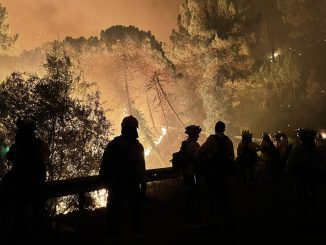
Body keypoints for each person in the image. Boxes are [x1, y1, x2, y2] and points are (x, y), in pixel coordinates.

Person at [99, 115, 147, 243]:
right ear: (135, 129)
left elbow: (104, 165)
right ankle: (137, 235)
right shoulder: (138, 147)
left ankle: (111, 236)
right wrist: (143, 185)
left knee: (113, 213)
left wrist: (105, 183)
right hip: (132, 185)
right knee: (135, 212)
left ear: (123, 128)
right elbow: (141, 168)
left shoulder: (112, 145)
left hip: (115, 185)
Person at [2, 118, 49, 238]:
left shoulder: (17, 147)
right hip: (37, 186)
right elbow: (46, 154)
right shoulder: (41, 146)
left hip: (21, 188)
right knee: (37, 213)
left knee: (20, 214)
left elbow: (9, 156)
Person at [197, 121, 235, 222]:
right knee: (224, 192)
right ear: (224, 129)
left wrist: (205, 159)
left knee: (212, 192)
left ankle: (214, 214)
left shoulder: (211, 139)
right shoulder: (228, 141)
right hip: (224, 172)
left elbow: (200, 151)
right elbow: (232, 156)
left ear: (215, 129)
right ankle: (227, 214)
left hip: (213, 171)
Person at [288, 128, 326, 223]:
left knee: (302, 199)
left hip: (302, 178)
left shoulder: (297, 150)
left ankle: (304, 217)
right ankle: (314, 216)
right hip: (314, 179)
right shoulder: (318, 150)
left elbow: (291, 164)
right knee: (315, 198)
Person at [178, 125, 202, 228]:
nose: (198, 136)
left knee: (189, 195)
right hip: (192, 173)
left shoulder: (185, 144)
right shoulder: (194, 145)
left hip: (186, 173)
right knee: (194, 196)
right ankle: (195, 220)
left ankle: (189, 218)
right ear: (193, 134)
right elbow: (199, 158)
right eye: (197, 134)